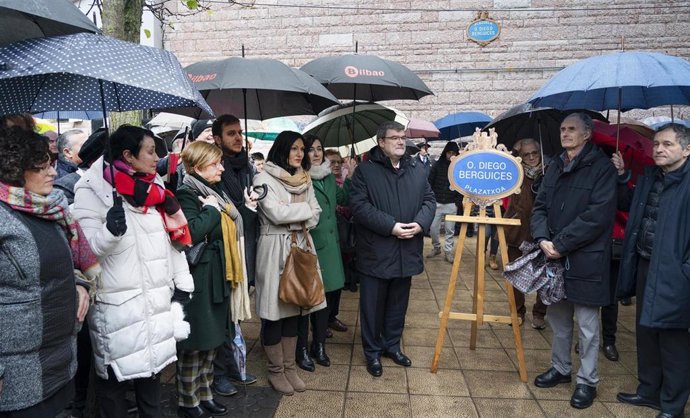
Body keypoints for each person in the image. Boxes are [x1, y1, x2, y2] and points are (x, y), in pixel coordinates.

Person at [72, 125, 195, 418]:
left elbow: (170, 242)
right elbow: (86, 252)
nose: (157, 159)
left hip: (154, 303)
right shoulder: (93, 192)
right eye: (150, 151)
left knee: (151, 381)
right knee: (114, 388)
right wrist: (110, 231)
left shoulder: (156, 190)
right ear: (128, 155)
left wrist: (182, 283)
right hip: (117, 309)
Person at [0, 126, 95, 417]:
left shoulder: (52, 209)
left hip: (59, 362)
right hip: (14, 376)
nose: (53, 173)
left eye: (51, 164)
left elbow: (65, 264)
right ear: (15, 170)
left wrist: (80, 285)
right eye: (41, 167)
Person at [530, 113, 617, 409]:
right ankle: (561, 369)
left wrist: (562, 244)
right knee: (558, 319)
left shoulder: (602, 168)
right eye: (563, 129)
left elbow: (598, 216)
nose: (565, 134)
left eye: (572, 130)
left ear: (587, 134)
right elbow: (539, 205)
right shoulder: (555, 165)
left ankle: (587, 381)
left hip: (586, 259)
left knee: (589, 327)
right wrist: (542, 238)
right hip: (552, 256)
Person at [614, 123, 690, 418]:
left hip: (676, 273)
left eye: (668, 144)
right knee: (646, 330)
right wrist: (622, 177)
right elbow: (631, 208)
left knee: (672, 339)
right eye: (656, 144)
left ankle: (672, 405)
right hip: (646, 263)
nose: (659, 149)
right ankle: (648, 391)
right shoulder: (650, 177)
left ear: (686, 149)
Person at [350, 121, 436, 377]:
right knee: (372, 307)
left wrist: (420, 224)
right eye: (395, 137)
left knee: (398, 305)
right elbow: (360, 206)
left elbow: (429, 200)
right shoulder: (365, 171)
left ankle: (392, 345)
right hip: (377, 251)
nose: (401, 141)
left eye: (403, 137)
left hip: (407, 250)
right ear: (381, 142)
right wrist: (391, 226)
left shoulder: (416, 169)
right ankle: (373, 352)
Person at [174, 141, 254, 418]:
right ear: (196, 168)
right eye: (215, 164)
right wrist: (209, 210)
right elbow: (191, 233)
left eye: (220, 162)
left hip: (218, 274)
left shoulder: (214, 190)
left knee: (213, 340)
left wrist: (246, 208)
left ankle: (205, 394)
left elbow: (230, 225)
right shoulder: (186, 194)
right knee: (196, 342)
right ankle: (188, 399)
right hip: (200, 278)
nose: (221, 167)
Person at [253, 131, 323, 395]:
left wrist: (291, 213)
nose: (299, 153)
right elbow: (275, 212)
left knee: (296, 309)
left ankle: (290, 367)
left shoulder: (306, 180)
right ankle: (276, 370)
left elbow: (316, 214)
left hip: (301, 246)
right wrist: (298, 213)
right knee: (274, 312)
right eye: (293, 148)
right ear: (281, 150)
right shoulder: (263, 178)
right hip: (273, 249)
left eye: (302, 149)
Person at [211, 114, 259, 395]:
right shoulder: (216, 169)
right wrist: (244, 204)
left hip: (247, 247)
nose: (238, 137)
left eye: (239, 132)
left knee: (236, 314)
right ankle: (221, 373)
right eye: (231, 133)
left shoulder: (248, 167)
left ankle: (234, 364)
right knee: (224, 314)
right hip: (228, 251)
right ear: (217, 139)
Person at [295, 135, 351, 372]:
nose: (316, 153)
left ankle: (319, 345)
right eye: (311, 149)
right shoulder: (298, 177)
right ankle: (302, 349)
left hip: (331, 246)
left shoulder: (328, 175)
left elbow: (343, 199)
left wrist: (349, 176)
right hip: (310, 246)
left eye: (319, 149)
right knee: (306, 301)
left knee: (324, 300)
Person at [505, 138, 548, 329]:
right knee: (514, 274)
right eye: (526, 154)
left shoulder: (550, 171)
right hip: (517, 230)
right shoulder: (515, 171)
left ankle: (539, 313)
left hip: (543, 232)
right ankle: (518, 311)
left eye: (534, 153)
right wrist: (514, 152)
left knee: (545, 275)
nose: (531, 157)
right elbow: (503, 166)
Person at [426, 141, 460, 263]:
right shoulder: (437, 165)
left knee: (450, 230)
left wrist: (457, 202)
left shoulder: (458, 167)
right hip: (437, 202)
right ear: (445, 152)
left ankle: (448, 251)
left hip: (451, 203)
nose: (451, 155)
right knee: (433, 228)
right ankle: (436, 247)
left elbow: (461, 186)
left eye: (453, 153)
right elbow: (429, 183)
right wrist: (431, 199)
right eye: (449, 152)